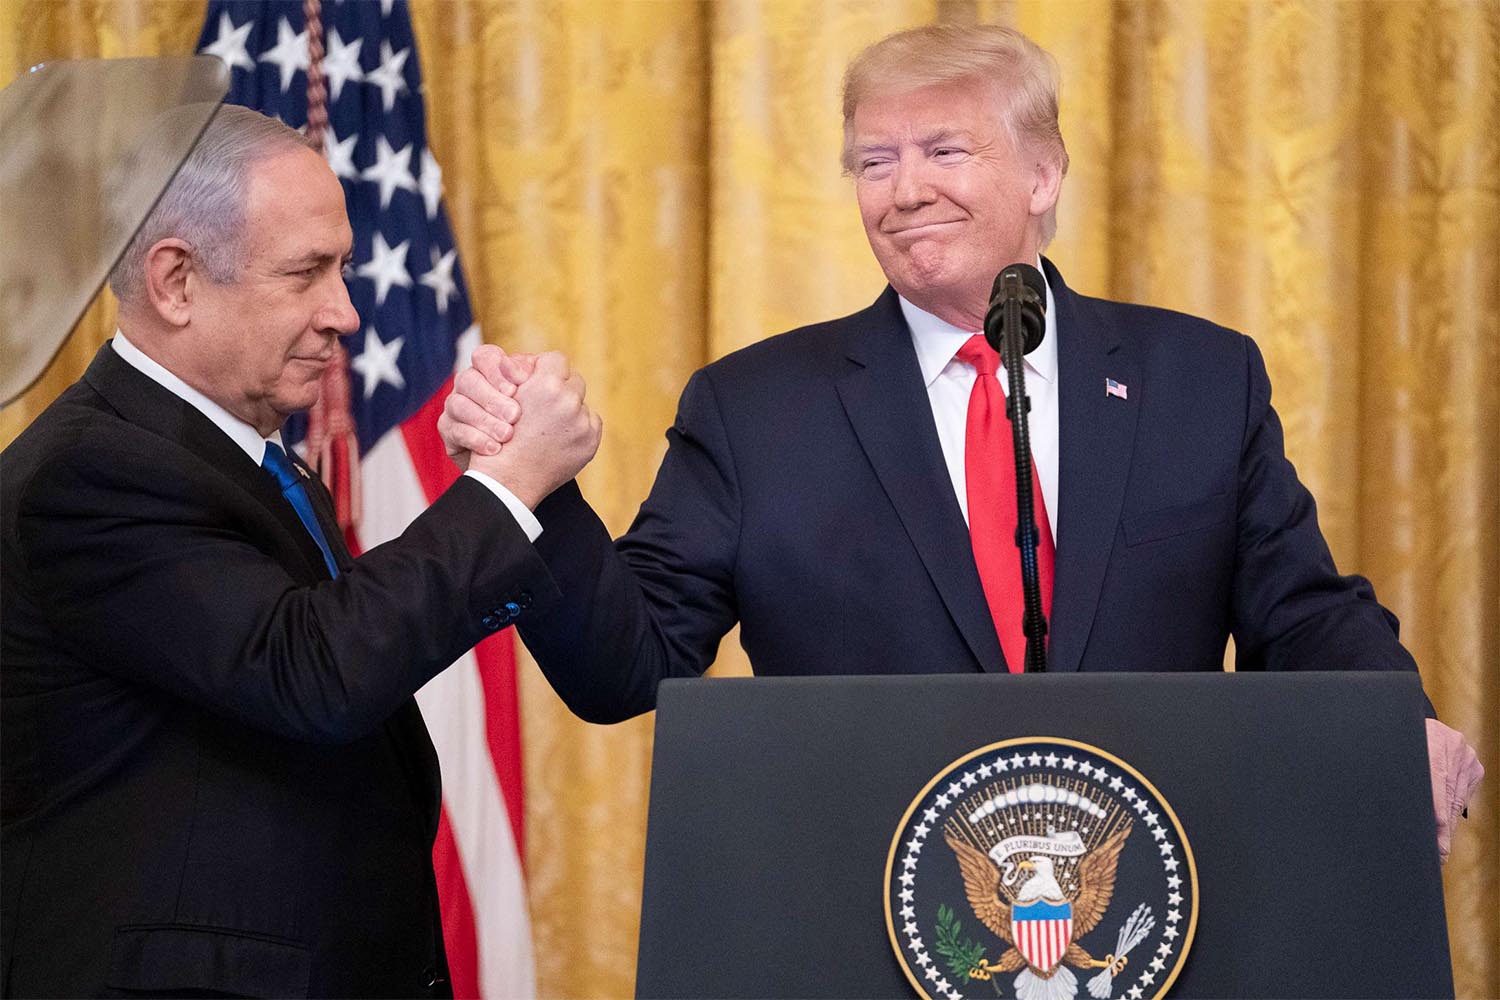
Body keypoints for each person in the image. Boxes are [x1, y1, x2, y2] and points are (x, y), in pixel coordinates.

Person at [440, 28, 1480, 850]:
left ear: (1043, 174)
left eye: (945, 150)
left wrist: (1399, 725)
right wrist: (539, 490)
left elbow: (1299, 612)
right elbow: (629, 666)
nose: (902, 189)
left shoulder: (1197, 379)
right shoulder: (755, 409)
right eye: (874, 160)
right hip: (857, 910)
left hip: (1151, 901)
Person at [0, 105, 600, 997]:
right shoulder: (93, 470)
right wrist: (505, 488)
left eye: (345, 268)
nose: (346, 314)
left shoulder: (245, 453)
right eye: (306, 273)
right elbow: (316, 670)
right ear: (174, 282)